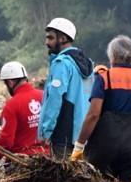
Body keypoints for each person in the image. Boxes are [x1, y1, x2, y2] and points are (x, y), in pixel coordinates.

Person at [73, 35, 131, 182]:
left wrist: (79, 145)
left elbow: (93, 115)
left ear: (113, 56)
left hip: (105, 150)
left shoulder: (104, 78)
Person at [38, 17, 94, 157]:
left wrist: (46, 131)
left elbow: (55, 99)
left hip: (64, 136)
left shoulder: (61, 64)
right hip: (85, 135)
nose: (47, 43)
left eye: (50, 38)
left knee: (64, 177)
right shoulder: (88, 64)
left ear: (63, 38)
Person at [0, 61, 48, 158]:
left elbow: (6, 142)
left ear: (10, 83)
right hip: (47, 157)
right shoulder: (44, 95)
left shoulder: (11, 105)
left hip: (23, 161)